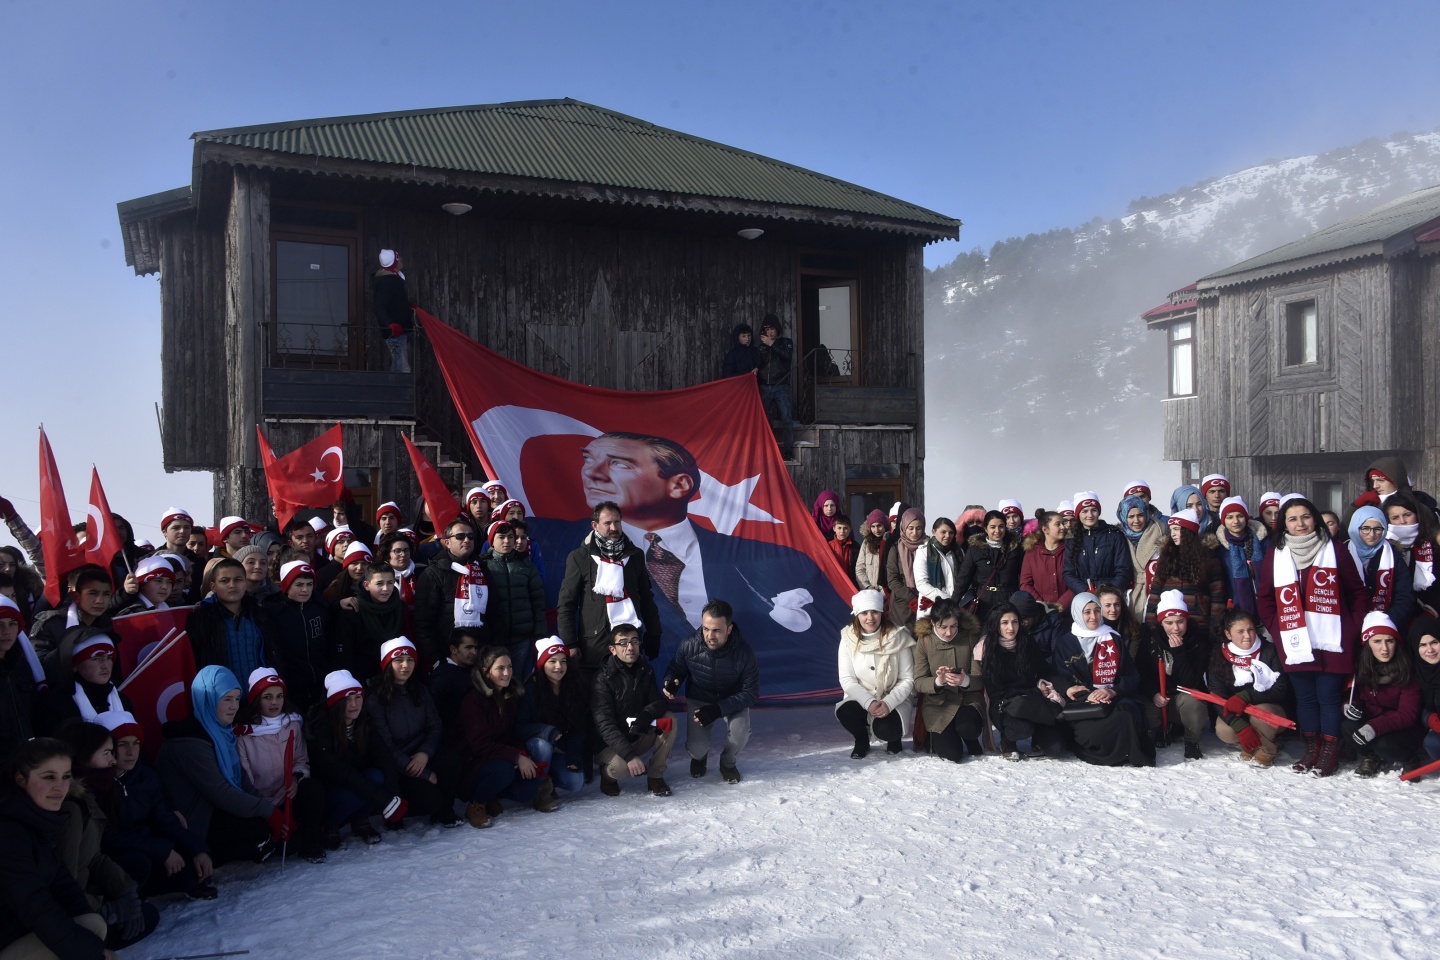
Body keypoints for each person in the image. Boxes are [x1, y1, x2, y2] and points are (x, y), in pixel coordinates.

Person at [538, 431, 846, 689]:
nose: (591, 473)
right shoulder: (554, 544)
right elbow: (565, 604)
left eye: (619, 464)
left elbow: (832, 642)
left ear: (679, 485)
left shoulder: (778, 561)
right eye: (588, 459)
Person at [1256, 495, 1369, 777]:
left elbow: (1357, 593)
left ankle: (1329, 752)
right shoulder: (1276, 553)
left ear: (1315, 518)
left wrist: (1351, 628)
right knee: (1305, 698)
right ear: (1283, 524)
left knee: (1329, 697)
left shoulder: (1336, 550)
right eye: (1292, 519)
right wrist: (1278, 630)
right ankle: (1312, 750)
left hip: (1333, 639)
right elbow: (1266, 597)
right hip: (1294, 639)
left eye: (1305, 517)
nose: (1300, 523)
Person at [156, 665, 290, 865]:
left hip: (215, 810)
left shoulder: (222, 733)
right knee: (259, 833)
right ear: (208, 699)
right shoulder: (191, 742)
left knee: (272, 830)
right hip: (196, 822)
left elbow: (242, 779)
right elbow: (221, 792)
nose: (234, 706)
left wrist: (271, 810)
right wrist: (268, 812)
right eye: (226, 699)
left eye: (236, 699)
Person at [0, 738, 115, 960]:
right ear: (20, 779)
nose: (60, 787)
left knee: (92, 925)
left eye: (65, 777)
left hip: (17, 928)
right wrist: (88, 950)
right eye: (48, 777)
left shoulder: (35, 820)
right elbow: (33, 904)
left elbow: (62, 884)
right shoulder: (8, 833)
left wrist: (93, 944)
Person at [53, 721, 159, 952]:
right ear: (82, 756)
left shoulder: (88, 797)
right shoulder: (70, 809)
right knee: (147, 916)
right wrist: (107, 910)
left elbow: (94, 857)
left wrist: (126, 891)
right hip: (71, 911)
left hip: (86, 892)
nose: (113, 760)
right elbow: (64, 880)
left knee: (138, 884)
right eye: (106, 753)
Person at [96, 711, 213, 900]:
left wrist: (197, 848)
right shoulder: (97, 785)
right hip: (120, 854)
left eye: (136, 743)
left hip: (149, 846)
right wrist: (161, 850)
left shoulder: (145, 776)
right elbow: (107, 837)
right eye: (122, 744)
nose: (131, 752)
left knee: (190, 861)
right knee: (139, 864)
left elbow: (165, 819)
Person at [556, 502, 662, 676]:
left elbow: (646, 598)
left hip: (630, 646)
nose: (614, 527)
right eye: (607, 523)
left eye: (617, 522)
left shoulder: (635, 556)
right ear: (595, 525)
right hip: (595, 649)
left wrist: (654, 633)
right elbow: (566, 605)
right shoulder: (579, 557)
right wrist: (570, 644)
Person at [233, 669, 328, 861]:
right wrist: (268, 811)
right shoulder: (243, 735)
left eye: (279, 696)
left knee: (313, 789)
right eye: (267, 697)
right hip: (261, 805)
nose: (275, 702)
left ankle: (310, 843)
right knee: (283, 847)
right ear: (256, 699)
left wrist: (295, 777)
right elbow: (245, 780)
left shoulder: (291, 724)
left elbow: (301, 760)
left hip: (287, 796)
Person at [305, 669, 409, 845]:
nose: (354, 704)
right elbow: (339, 771)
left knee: (377, 776)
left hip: (356, 782)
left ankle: (361, 821)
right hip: (332, 790)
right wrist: (383, 800)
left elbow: (383, 755)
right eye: (347, 699)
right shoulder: (321, 728)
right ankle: (330, 826)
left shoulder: (364, 722)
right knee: (358, 793)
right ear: (336, 703)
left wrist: (394, 798)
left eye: (357, 697)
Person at [662, 599, 760, 783]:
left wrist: (717, 709)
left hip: (732, 700)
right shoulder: (689, 644)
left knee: (741, 731)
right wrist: (671, 681)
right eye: (706, 628)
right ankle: (699, 758)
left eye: (717, 630)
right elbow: (676, 668)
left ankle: (728, 763)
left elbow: (751, 692)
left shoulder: (745, 653)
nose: (710, 635)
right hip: (700, 699)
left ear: (729, 629)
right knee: (696, 748)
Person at [1051, 592, 1154, 767]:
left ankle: (1130, 753)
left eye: (1097, 611)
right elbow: (1058, 676)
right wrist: (1086, 695)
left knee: (1127, 714)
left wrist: (1112, 690)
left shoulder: (1113, 638)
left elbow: (1131, 675)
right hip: (1084, 702)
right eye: (1087, 612)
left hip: (1115, 697)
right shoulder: (1065, 643)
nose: (1093, 617)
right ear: (1077, 613)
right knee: (1091, 732)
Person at [459, 646, 560, 825]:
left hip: (502, 758)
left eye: (510, 667)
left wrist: (523, 755)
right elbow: (479, 745)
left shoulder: (509, 696)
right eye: (500, 668)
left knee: (528, 790)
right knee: (503, 770)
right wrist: (516, 757)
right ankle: (477, 804)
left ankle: (493, 795)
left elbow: (512, 733)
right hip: (475, 763)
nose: (507, 673)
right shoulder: (473, 700)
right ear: (486, 672)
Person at [365, 638, 459, 826]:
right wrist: (420, 771)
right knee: (430, 800)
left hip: (422, 752)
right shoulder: (376, 699)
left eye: (410, 660)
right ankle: (399, 812)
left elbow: (435, 725)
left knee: (452, 759)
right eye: (399, 661)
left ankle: (445, 811)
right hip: (398, 765)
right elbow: (385, 745)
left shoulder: (420, 690)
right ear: (387, 664)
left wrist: (425, 753)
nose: (405, 666)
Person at [591, 624, 675, 796]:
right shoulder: (602, 679)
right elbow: (605, 725)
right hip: (607, 744)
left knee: (669, 720)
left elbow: (659, 702)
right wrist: (629, 756)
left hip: (636, 734)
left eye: (634, 641)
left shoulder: (645, 669)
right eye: (623, 643)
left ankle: (655, 777)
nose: (630, 647)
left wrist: (647, 714)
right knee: (621, 768)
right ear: (612, 649)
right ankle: (607, 777)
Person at [981, 601, 1066, 760]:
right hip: (1006, 706)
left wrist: (1045, 683)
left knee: (1056, 749)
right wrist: (1035, 691)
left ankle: (1041, 735)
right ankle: (1008, 741)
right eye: (1005, 623)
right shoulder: (990, 648)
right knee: (1021, 727)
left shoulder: (1027, 642)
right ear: (996, 624)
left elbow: (1043, 669)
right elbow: (997, 693)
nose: (1011, 628)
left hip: (1033, 702)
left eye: (1014, 622)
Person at [1343, 612, 1426, 777]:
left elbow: (1408, 714)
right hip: (1373, 721)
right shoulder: (1362, 668)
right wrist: (1350, 706)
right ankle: (1370, 757)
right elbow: (1356, 696)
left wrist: (1375, 727)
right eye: (1377, 641)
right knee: (1347, 725)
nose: (1384, 648)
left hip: (1403, 729)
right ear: (1368, 644)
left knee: (1382, 743)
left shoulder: (1406, 669)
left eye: (1390, 641)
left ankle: (1410, 759)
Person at [836, 590, 915, 758]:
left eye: (875, 612)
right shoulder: (847, 639)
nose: (870, 618)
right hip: (863, 696)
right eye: (864, 613)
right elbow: (847, 679)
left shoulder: (898, 636)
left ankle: (894, 738)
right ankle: (861, 740)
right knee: (846, 711)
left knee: (887, 730)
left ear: (882, 612)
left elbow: (907, 679)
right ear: (857, 614)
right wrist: (868, 702)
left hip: (893, 696)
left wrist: (888, 702)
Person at [1208, 609, 1289, 766]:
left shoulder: (1269, 650)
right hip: (1238, 713)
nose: (1247, 635)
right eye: (1240, 631)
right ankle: (1250, 745)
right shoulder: (1219, 655)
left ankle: (1268, 749)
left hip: (1269, 709)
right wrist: (1238, 725)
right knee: (1224, 729)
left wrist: (1246, 696)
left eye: (1250, 629)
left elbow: (1281, 689)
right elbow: (1217, 696)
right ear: (1228, 634)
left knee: (1261, 714)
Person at [186, 557, 281, 683]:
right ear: (213, 586)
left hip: (261, 695)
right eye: (225, 581)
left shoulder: (261, 614)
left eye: (238, 580)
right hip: (222, 696)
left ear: (245, 584)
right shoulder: (201, 618)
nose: (232, 585)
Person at [1140, 591, 1211, 758]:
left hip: (1183, 697)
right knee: (1142, 704)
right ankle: (1159, 730)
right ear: (1161, 623)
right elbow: (1142, 673)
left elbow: (1191, 683)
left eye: (1180, 621)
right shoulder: (1151, 639)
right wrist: (1153, 694)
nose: (1176, 628)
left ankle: (1191, 739)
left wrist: (1179, 652)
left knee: (1193, 702)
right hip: (1159, 696)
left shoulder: (1198, 641)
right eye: (1169, 622)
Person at [911, 598, 983, 762]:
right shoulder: (925, 641)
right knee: (952, 754)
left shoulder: (970, 638)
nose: (949, 632)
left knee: (969, 728)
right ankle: (938, 735)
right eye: (943, 627)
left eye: (953, 626)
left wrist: (965, 680)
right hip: (939, 704)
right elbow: (919, 681)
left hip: (967, 700)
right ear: (933, 623)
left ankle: (968, 737)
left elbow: (979, 679)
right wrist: (938, 681)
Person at [413, 517, 489, 670]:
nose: (466, 540)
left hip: (480, 656)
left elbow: (492, 613)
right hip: (445, 657)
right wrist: (435, 660)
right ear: (447, 542)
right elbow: (423, 622)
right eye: (460, 536)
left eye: (470, 536)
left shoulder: (483, 570)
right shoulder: (432, 574)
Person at [517, 639, 589, 793]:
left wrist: (573, 756)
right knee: (543, 746)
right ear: (543, 664)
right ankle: (540, 790)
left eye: (563, 661)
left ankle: (549, 779)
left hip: (560, 750)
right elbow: (519, 727)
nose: (559, 667)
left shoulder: (574, 687)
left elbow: (579, 728)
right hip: (534, 750)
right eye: (552, 661)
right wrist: (546, 731)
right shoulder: (530, 691)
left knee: (575, 782)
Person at [34, 628, 134, 736]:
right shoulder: (54, 705)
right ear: (74, 665)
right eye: (96, 658)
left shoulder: (122, 701)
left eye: (109, 657)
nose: (106, 665)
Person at [1142, 509, 1227, 637]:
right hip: (1169, 622)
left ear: (1188, 531)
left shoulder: (1208, 558)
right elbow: (1155, 591)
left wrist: (1215, 627)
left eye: (1177, 529)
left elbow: (1217, 596)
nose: (1173, 534)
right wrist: (1150, 623)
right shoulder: (1166, 556)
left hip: (1198, 622)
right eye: (1171, 530)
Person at [261, 560, 331, 712]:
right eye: (299, 585)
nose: (305, 590)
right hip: (291, 684)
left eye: (309, 584)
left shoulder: (319, 606)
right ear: (286, 585)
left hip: (319, 680)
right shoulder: (274, 612)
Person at [483, 521, 546, 679]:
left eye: (510, 537)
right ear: (492, 540)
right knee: (496, 682)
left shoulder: (526, 566)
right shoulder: (482, 566)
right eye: (501, 537)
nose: (507, 541)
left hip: (522, 638)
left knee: (519, 683)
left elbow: (538, 603)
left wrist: (539, 635)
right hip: (494, 639)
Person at [333, 562, 407, 683]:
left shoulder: (400, 608)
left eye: (390, 583)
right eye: (379, 583)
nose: (386, 589)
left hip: (392, 676)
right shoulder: (352, 611)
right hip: (361, 677)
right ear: (366, 585)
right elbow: (345, 655)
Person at [30, 565, 117, 661]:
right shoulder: (50, 624)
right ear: (75, 595)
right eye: (92, 593)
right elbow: (39, 665)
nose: (100, 600)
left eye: (106, 594)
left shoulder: (109, 625)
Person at [1348, 506, 1415, 628]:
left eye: (1377, 529)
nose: (1372, 534)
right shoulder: (1343, 553)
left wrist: (1386, 620)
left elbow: (1404, 595)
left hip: (1388, 623)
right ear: (1355, 528)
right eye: (1366, 528)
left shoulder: (1393, 555)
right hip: (1352, 623)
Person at [954, 511, 1024, 622]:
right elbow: (964, 578)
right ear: (986, 529)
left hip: (1009, 599)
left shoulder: (1015, 549)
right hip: (984, 600)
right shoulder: (975, 549)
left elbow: (1023, 577)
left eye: (1001, 526)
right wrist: (953, 603)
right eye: (993, 527)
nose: (997, 531)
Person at [1063, 492, 1132, 597]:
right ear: (1078, 514)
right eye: (1085, 511)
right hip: (1084, 596)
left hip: (1112, 596)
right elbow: (1068, 573)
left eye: (1093, 510)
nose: (1090, 515)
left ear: (1098, 512)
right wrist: (1085, 591)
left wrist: (1110, 592)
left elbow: (1123, 569)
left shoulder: (1115, 535)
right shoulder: (1071, 540)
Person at [0, 595, 41, 758]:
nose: (7, 631)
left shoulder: (23, 664)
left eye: (12, 623)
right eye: (0, 625)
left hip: (28, 759)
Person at [1384, 492, 1439, 611]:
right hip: (1391, 610)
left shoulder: (1432, 545)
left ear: (1417, 514)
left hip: (1428, 611)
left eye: (1407, 515)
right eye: (1395, 518)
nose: (1402, 521)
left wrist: (1431, 610)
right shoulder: (1384, 546)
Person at [1214, 497, 1268, 616]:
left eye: (1240, 516)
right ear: (1223, 520)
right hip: (1237, 610)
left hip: (1266, 605)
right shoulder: (1219, 549)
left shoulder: (1264, 543)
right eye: (1230, 517)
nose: (1236, 521)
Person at [1117, 495, 1166, 624]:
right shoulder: (1118, 538)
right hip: (1129, 593)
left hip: (1156, 592)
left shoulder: (1160, 532)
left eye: (1140, 515)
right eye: (1131, 517)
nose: (1136, 520)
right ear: (1123, 517)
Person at [430, 629, 482, 750]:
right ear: (453, 649)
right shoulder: (443, 676)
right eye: (468, 647)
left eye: (475, 648)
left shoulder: (472, 669)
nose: (474, 652)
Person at [754, 315, 794, 456]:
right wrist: (756, 369)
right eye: (767, 329)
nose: (770, 332)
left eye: (772, 329)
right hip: (765, 386)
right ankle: (768, 450)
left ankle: (788, 450)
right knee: (765, 419)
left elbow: (786, 357)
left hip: (781, 386)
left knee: (786, 418)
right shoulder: (762, 347)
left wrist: (771, 344)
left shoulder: (786, 342)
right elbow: (759, 363)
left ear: (777, 329)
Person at [1020, 510, 1073, 608]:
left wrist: (1060, 605)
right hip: (1040, 611)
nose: (1063, 527)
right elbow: (1025, 584)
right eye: (1058, 524)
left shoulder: (1071, 550)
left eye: (1063, 523)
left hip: (1067, 610)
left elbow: (1076, 581)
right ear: (1045, 529)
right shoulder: (1032, 552)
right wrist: (1043, 605)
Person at [884, 508, 926, 629]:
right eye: (910, 528)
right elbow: (892, 580)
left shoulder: (928, 548)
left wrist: (924, 599)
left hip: (925, 603)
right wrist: (912, 598)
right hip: (901, 606)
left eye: (918, 528)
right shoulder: (895, 549)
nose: (914, 532)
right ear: (904, 528)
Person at [374, 248, 414, 373]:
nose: (401, 260)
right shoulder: (388, 281)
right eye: (398, 258)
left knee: (398, 365)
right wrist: (390, 324)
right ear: (394, 262)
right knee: (402, 369)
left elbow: (394, 303)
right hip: (395, 332)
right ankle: (399, 392)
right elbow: (379, 306)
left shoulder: (394, 280)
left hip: (400, 331)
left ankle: (394, 390)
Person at [912, 517, 959, 620]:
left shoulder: (958, 553)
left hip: (955, 607)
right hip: (932, 605)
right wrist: (945, 598)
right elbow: (921, 583)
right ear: (933, 532)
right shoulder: (923, 552)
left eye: (951, 533)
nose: (947, 536)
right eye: (943, 532)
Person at [1409, 616, 1440, 768]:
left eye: (1434, 642)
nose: (1430, 650)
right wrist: (1429, 718)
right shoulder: (1414, 673)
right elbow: (1413, 707)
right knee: (1433, 742)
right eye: (1423, 645)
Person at [378, 534, 422, 611]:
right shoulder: (377, 575)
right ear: (387, 554)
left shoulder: (422, 572)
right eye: (397, 551)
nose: (403, 554)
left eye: (406, 550)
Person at [855, 509, 888, 592]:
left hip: (887, 593)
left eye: (879, 525)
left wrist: (884, 591)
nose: (876, 530)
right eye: (873, 526)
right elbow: (860, 568)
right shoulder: (866, 543)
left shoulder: (890, 542)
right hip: (870, 592)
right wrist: (867, 586)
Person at [827, 514, 859, 587]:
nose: (842, 531)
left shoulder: (855, 547)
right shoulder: (828, 546)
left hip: (850, 583)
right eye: (839, 528)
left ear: (850, 529)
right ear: (834, 528)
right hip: (833, 583)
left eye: (845, 528)